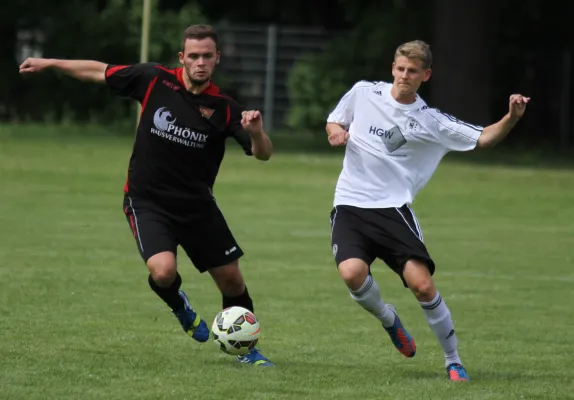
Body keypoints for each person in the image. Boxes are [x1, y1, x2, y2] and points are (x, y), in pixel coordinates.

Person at [19, 24, 274, 367]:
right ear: (182, 58)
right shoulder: (155, 80)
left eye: (207, 56)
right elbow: (99, 71)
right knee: (163, 272)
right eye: (194, 56)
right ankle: (179, 306)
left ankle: (247, 350)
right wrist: (50, 63)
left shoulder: (225, 108)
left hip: (197, 207)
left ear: (217, 59)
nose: (200, 62)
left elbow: (263, 154)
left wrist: (256, 132)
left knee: (231, 279)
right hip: (147, 201)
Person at [325, 40, 529, 381]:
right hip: (349, 203)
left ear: (426, 75)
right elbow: (335, 121)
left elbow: (484, 139)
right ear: (393, 68)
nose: (405, 76)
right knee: (351, 274)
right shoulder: (363, 92)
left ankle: (453, 360)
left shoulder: (430, 120)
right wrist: (336, 134)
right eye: (400, 68)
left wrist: (511, 117)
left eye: (413, 71)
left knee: (422, 286)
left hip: (392, 210)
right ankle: (390, 321)